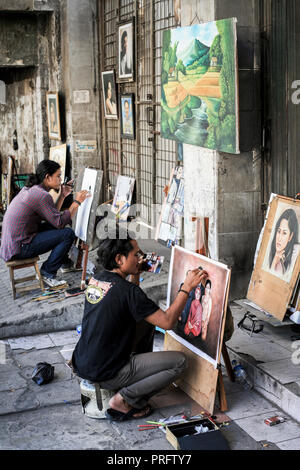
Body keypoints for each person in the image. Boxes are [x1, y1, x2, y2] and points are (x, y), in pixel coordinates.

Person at [71, 228, 208, 421]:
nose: (140, 257)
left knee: (146, 323)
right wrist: (186, 287)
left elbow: (131, 301)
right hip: (106, 372)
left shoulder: (97, 278)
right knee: (181, 362)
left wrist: (136, 271)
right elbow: (167, 322)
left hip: (84, 361)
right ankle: (124, 400)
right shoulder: (129, 292)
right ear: (119, 259)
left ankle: (135, 377)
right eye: (136, 254)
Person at [0, 160, 91, 287]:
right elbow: (59, 222)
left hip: (13, 244)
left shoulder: (32, 189)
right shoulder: (41, 195)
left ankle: (64, 262)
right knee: (68, 234)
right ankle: (47, 273)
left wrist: (63, 196)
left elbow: (52, 217)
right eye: (58, 176)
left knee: (56, 228)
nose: (60, 180)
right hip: (19, 248)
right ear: (47, 177)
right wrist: (77, 202)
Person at [269, 208, 299, 277]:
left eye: (284, 233)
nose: (279, 238)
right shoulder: (276, 253)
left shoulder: (296, 252)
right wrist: (275, 260)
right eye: (279, 231)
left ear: (290, 237)